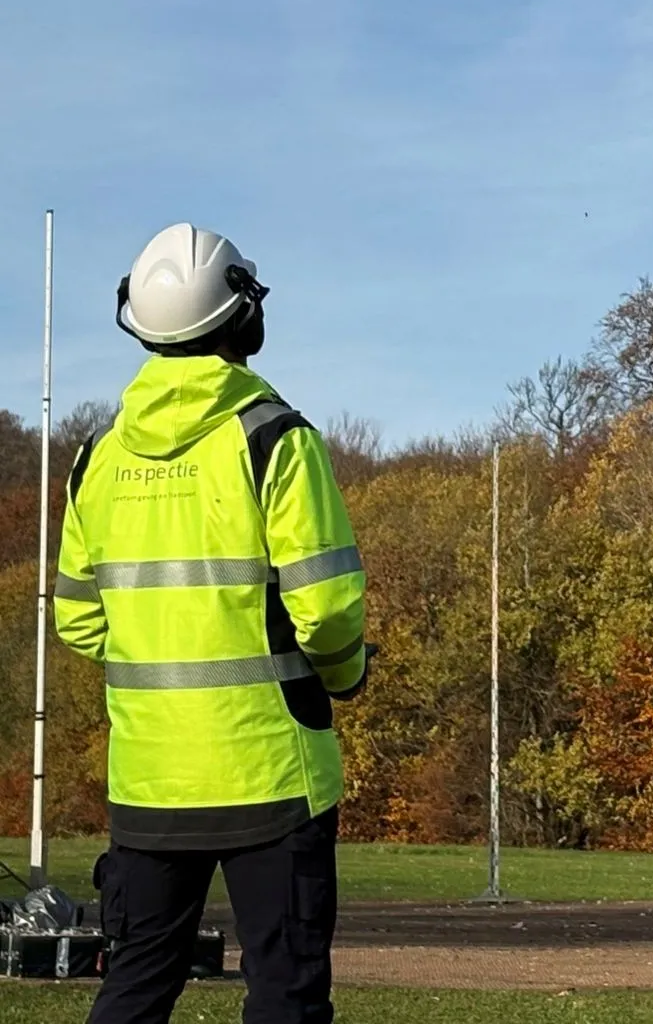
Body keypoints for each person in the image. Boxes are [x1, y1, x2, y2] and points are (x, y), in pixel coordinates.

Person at [52, 223, 370, 1024]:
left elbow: (78, 622)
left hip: (150, 779)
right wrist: (345, 674)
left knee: (133, 988)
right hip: (272, 772)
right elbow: (327, 610)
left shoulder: (97, 456)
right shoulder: (275, 439)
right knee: (284, 993)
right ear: (243, 320)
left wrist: (161, 654)